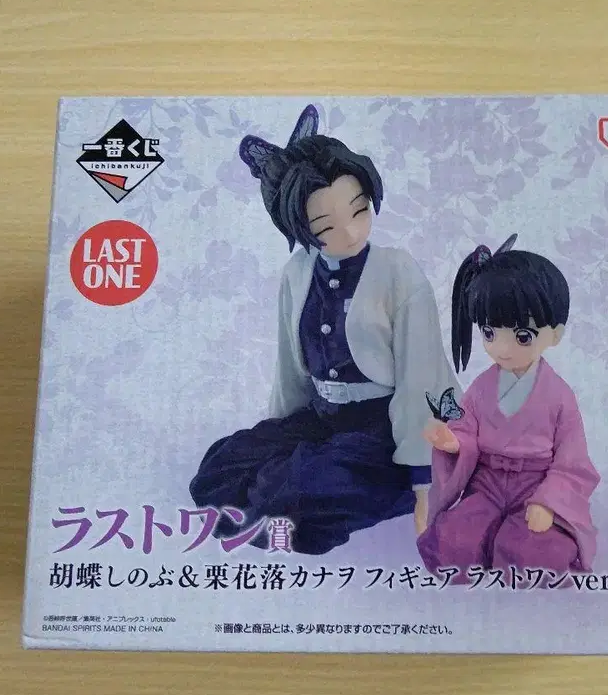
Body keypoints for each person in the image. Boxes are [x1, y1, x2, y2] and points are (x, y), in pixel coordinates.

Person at [190, 105, 458, 555]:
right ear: (300, 228)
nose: (350, 234)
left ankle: (370, 490)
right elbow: (290, 369)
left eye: (360, 211)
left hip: (387, 427)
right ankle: (294, 492)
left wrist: (422, 478)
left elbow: (421, 379)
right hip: (323, 418)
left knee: (291, 490)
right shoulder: (297, 273)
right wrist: (275, 436)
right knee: (220, 470)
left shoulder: (398, 272)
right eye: (325, 226)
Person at [416, 234, 600, 582]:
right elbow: (466, 429)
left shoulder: (559, 396)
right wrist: (451, 441)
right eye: (489, 332)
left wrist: (548, 502)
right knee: (454, 542)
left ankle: (519, 541)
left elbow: (571, 461)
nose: (502, 348)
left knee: (534, 552)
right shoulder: (481, 388)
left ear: (555, 334)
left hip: (536, 483)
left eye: (522, 336)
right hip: (486, 483)